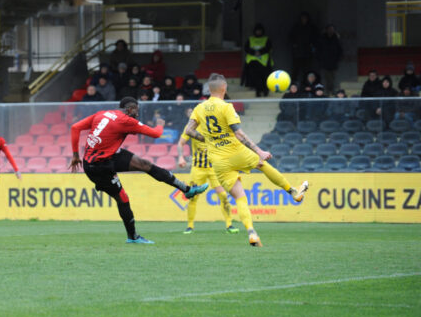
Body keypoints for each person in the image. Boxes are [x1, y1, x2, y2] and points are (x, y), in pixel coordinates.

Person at [183, 73, 308, 247]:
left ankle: (252, 232)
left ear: (209, 90)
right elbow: (239, 133)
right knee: (262, 164)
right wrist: (259, 151)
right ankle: (293, 192)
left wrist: (207, 139)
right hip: (236, 151)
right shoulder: (226, 107)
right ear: (224, 88)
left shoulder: (199, 108)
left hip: (218, 161)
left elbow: (189, 131)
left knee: (240, 197)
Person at [69, 97, 209, 244]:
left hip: (107, 156)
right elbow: (156, 134)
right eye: (136, 110)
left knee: (145, 164)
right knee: (122, 198)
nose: (137, 113)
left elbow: (75, 128)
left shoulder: (103, 113)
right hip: (98, 167)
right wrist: (160, 125)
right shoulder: (126, 120)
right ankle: (133, 237)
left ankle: (186, 189)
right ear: (129, 109)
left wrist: (75, 155)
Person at [177, 127, 237, 234]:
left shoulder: (214, 126)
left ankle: (229, 225)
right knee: (193, 197)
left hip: (214, 168)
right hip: (197, 170)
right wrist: (181, 157)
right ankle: (190, 226)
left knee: (223, 195)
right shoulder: (192, 127)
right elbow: (181, 143)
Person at [243, 24, 272, 97]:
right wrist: (254, 52)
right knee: (255, 77)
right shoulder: (250, 39)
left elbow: (269, 48)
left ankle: (264, 90)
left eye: (260, 31)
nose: (258, 32)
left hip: (264, 62)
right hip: (252, 62)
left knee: (264, 77)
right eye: (257, 31)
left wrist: (260, 52)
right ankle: (257, 90)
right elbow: (246, 48)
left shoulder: (266, 39)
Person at [314, 24, 343, 92]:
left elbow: (340, 50)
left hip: (334, 62)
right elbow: (317, 50)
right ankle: (325, 92)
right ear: (326, 30)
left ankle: (333, 91)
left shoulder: (336, 39)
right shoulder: (322, 39)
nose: (331, 31)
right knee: (325, 79)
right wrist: (320, 59)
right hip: (324, 63)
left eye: (332, 29)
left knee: (333, 79)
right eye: (329, 29)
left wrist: (338, 59)